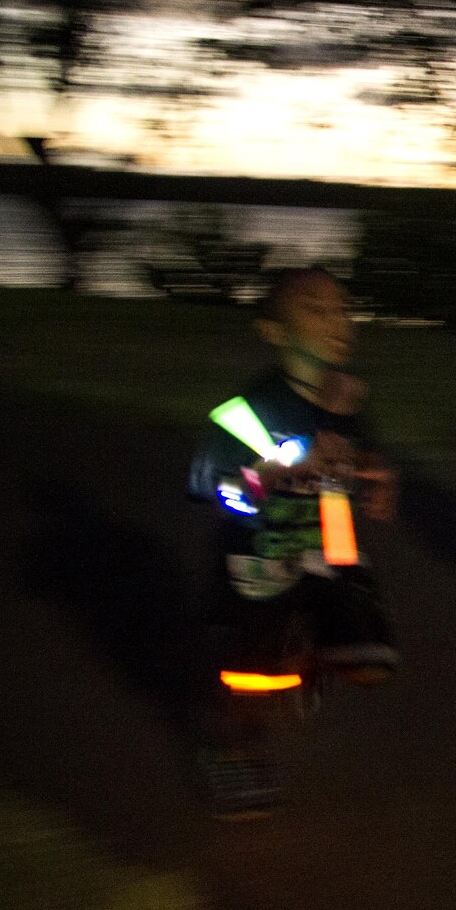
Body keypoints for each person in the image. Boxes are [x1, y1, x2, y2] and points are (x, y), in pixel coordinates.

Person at [187, 266, 399, 819]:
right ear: (274, 330)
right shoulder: (246, 411)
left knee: (373, 661)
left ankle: (307, 651)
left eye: (343, 309)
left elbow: (362, 457)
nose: (338, 322)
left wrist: (379, 478)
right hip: (259, 559)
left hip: (331, 552)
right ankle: (234, 754)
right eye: (316, 309)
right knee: (253, 680)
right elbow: (217, 490)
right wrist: (282, 467)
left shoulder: (348, 401)